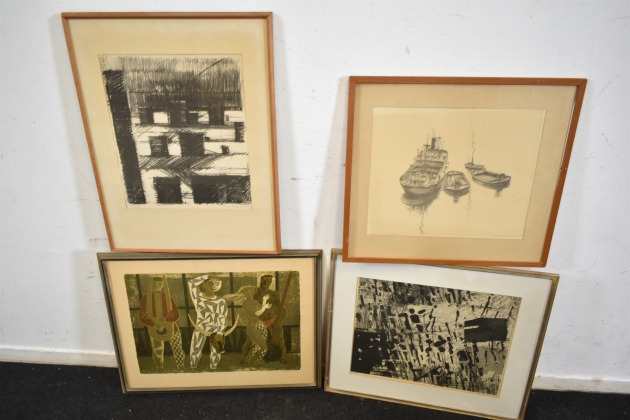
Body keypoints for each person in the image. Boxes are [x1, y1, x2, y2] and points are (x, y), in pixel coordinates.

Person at [139, 276, 185, 370]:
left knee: (178, 348)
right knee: (157, 351)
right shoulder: (146, 298)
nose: (157, 285)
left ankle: (181, 367)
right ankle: (159, 368)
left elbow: (175, 313)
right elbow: (143, 315)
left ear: (163, 285)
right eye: (155, 283)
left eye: (160, 283)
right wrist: (153, 324)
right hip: (154, 328)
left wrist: (165, 319)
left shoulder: (168, 297)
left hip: (172, 327)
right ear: (151, 285)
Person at [241, 275, 288, 364]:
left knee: (279, 339)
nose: (269, 281)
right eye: (266, 279)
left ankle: (281, 357)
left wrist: (280, 318)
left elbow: (280, 307)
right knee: (251, 340)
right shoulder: (255, 293)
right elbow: (251, 308)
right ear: (261, 281)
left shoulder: (274, 294)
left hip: (272, 320)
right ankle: (244, 358)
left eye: (270, 280)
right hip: (258, 321)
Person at [188, 275, 229, 369]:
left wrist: (220, 332)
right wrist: (206, 276)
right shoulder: (198, 298)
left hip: (216, 328)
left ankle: (214, 367)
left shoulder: (221, 301)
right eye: (208, 282)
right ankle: (193, 366)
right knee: (195, 348)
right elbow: (191, 283)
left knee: (216, 350)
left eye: (215, 283)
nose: (204, 285)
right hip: (200, 327)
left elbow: (223, 317)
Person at [239, 286, 272, 366]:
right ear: (244, 293)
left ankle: (246, 360)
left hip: (260, 324)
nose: (249, 292)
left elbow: (260, 310)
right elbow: (257, 313)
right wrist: (265, 307)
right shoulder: (246, 303)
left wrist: (264, 300)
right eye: (246, 291)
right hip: (252, 326)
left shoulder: (255, 301)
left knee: (258, 346)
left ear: (254, 292)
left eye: (251, 290)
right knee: (264, 348)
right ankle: (257, 363)